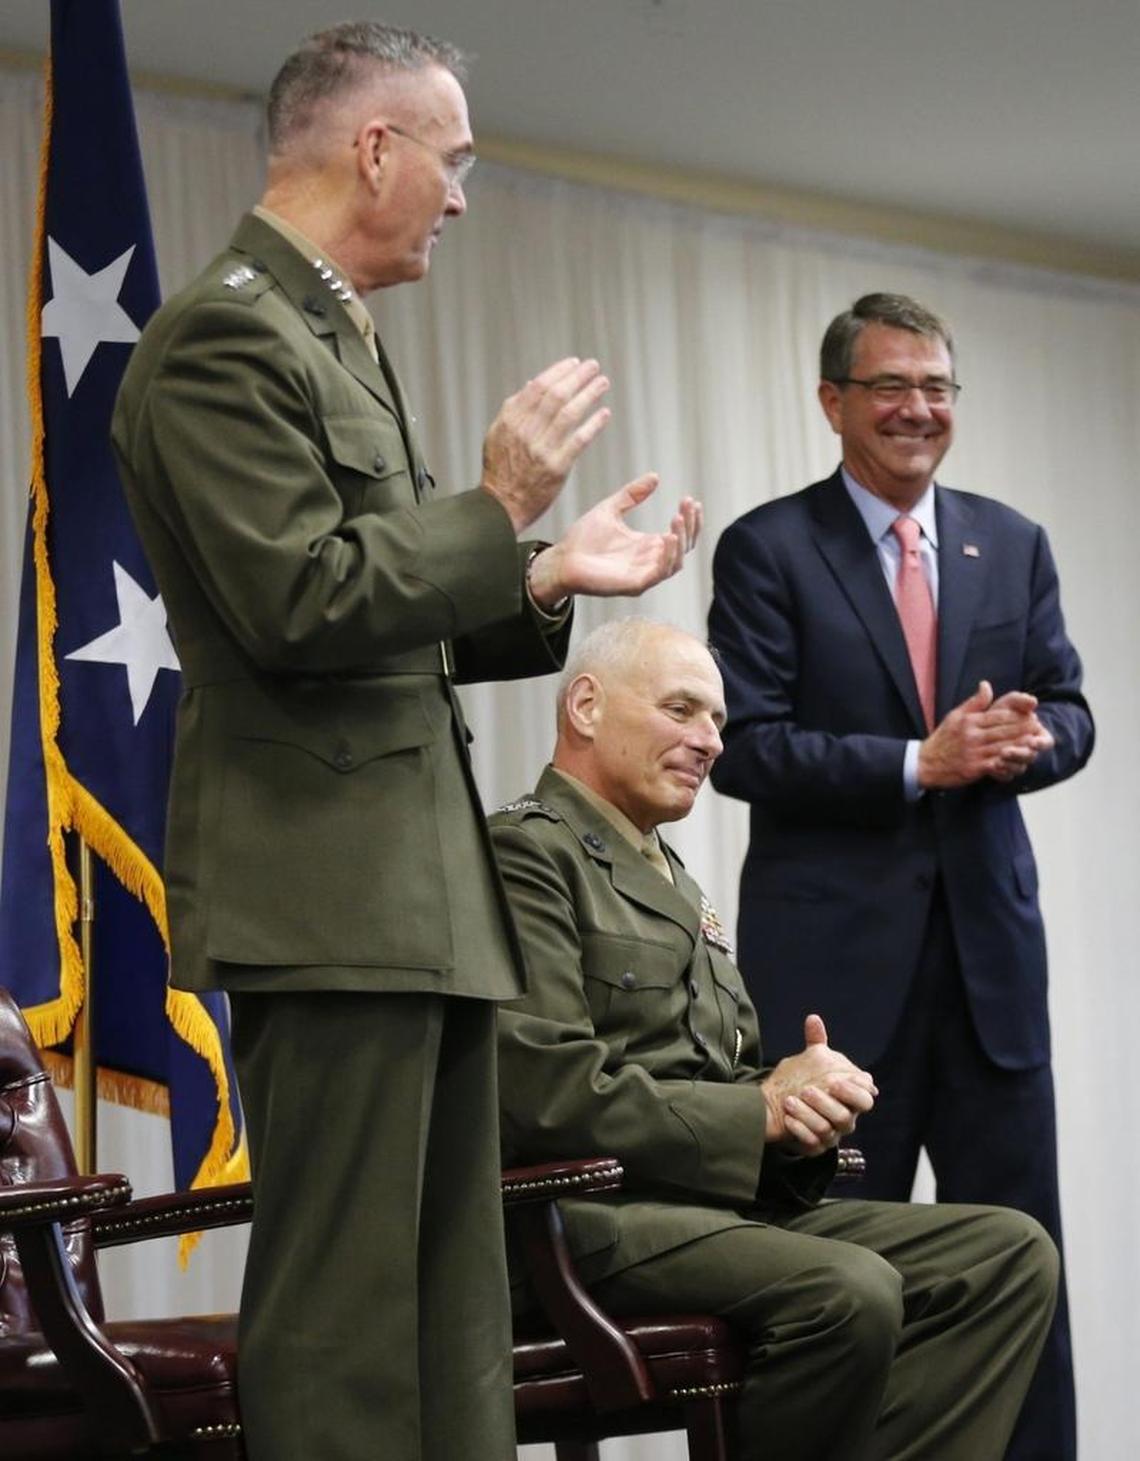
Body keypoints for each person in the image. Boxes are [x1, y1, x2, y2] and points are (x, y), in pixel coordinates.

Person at [110, 23, 700, 1461]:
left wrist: (541, 577)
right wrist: (495, 506)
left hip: (413, 901)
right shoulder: (225, 336)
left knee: (451, 1314)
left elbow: (384, 617)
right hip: (328, 899)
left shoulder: (328, 330)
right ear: (375, 148)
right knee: (348, 1317)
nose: (461, 197)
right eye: (455, 160)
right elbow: (296, 602)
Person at [491, 617, 1058, 1461]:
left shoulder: (673, 879)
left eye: (719, 720)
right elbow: (551, 1096)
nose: (710, 741)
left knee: (1008, 1255)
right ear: (585, 705)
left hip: (713, 1212)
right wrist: (758, 1109)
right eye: (682, 709)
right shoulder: (525, 855)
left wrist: (799, 1113)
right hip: (588, 1224)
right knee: (850, 1290)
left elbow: (715, 1078)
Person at [707, 292, 1092, 1459]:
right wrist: (919, 763)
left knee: (1024, 1265)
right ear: (834, 402)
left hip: (990, 982)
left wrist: (1032, 743)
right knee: (831, 1277)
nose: (918, 409)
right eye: (891, 387)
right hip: (835, 992)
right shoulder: (770, 548)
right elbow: (743, 747)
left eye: (936, 387)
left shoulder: (1011, 542)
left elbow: (1072, 712)